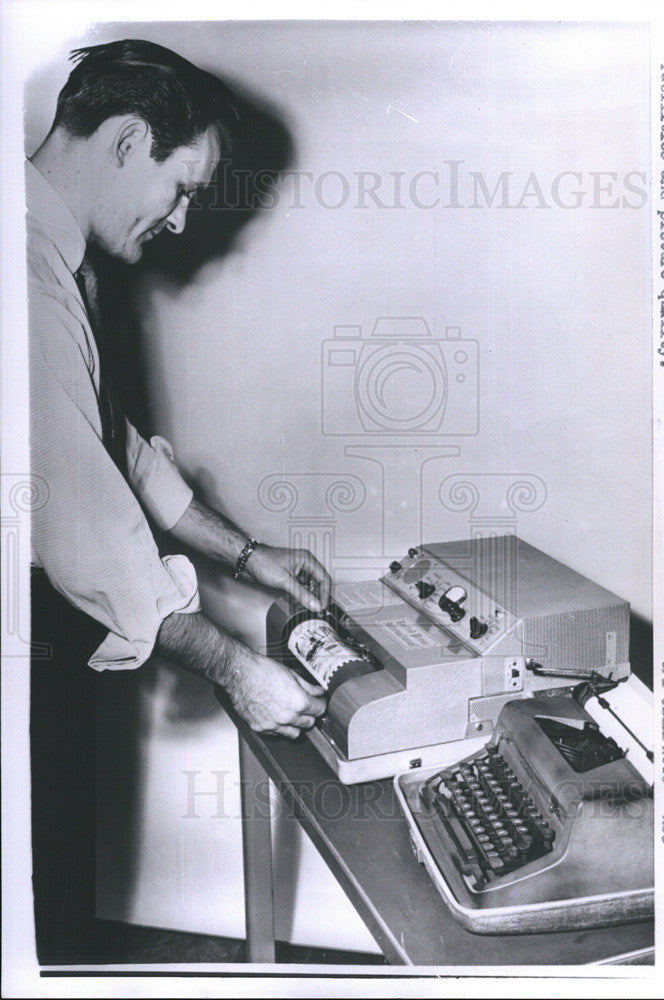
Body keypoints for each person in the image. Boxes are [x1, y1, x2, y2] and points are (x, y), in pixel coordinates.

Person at [27, 39, 326, 962]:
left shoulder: (52, 255)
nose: (185, 221)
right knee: (38, 898)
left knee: (54, 871)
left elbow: (106, 442)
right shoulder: (28, 275)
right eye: (184, 187)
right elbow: (80, 519)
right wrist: (238, 670)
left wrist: (245, 556)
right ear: (125, 141)